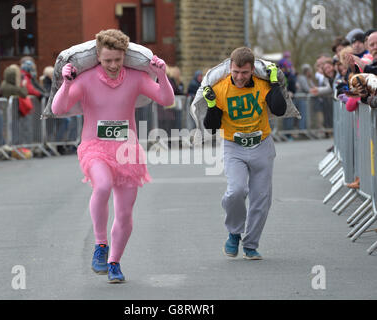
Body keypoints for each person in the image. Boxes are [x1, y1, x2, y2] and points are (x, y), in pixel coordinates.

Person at [52, 29, 174, 283]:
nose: (113, 65)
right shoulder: (84, 80)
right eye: (107, 60)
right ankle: (100, 244)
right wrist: (67, 83)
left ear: (124, 57)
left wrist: (162, 75)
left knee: (125, 213)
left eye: (118, 60)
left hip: (127, 151)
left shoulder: (136, 77)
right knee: (103, 185)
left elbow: (166, 99)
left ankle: (115, 262)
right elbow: (59, 108)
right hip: (94, 147)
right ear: (98, 56)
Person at [202, 47, 286, 260]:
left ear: (251, 71)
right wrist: (211, 105)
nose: (239, 77)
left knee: (261, 198)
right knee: (236, 191)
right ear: (230, 68)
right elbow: (211, 127)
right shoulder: (220, 88)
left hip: (262, 145)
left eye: (245, 73)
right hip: (234, 146)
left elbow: (279, 109)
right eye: (236, 72)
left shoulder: (262, 85)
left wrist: (275, 84)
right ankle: (234, 232)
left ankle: (251, 244)